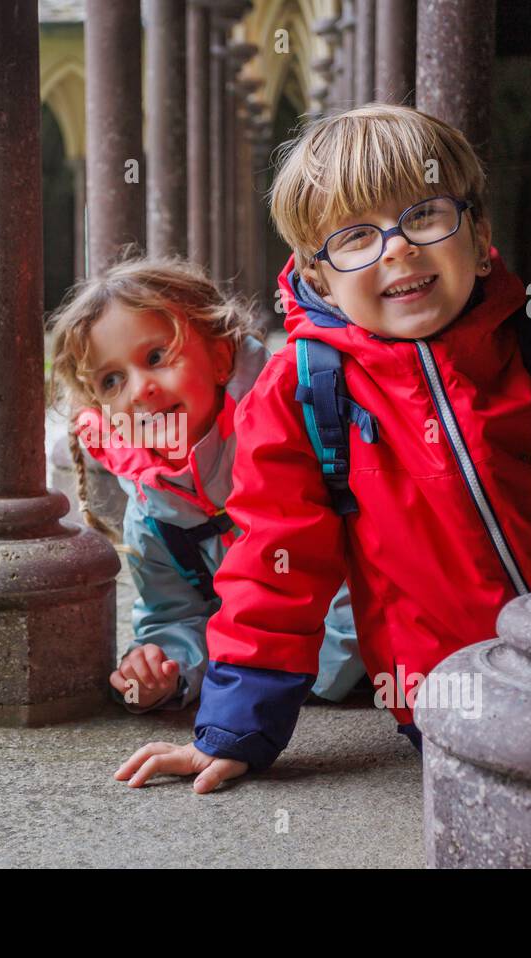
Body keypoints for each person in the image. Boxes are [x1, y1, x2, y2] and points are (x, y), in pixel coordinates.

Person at [115, 104, 531, 793]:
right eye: (355, 236)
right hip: (450, 696)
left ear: (479, 229)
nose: (398, 248)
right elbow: (274, 566)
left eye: (425, 216)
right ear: (317, 277)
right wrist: (235, 729)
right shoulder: (306, 390)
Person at [46, 256, 366, 713]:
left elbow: (359, 581)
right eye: (111, 380)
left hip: (369, 673)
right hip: (272, 677)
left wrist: (280, 675)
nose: (138, 391)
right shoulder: (152, 512)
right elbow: (175, 616)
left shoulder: (292, 443)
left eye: (156, 357)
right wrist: (163, 669)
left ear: (220, 358)